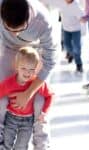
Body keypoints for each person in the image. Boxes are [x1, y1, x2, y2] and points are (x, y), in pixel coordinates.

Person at [0, 0, 57, 149]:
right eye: (9, 28)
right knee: (2, 97)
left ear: (29, 19)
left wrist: (28, 92)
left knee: (39, 101)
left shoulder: (43, 21)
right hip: (9, 48)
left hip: (35, 52)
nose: (15, 34)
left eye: (20, 29)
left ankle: (41, 144)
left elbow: (50, 60)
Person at [0, 47, 53, 150]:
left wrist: (44, 112)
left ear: (36, 69)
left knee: (21, 146)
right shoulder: (9, 83)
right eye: (24, 68)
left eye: (31, 69)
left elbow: (50, 95)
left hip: (27, 121)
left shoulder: (36, 83)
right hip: (11, 118)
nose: (27, 73)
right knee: (6, 143)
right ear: (17, 67)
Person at [42, 0, 85, 72]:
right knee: (67, 45)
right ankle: (71, 54)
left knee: (77, 48)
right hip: (66, 30)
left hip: (76, 30)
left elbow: (82, 19)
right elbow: (51, 2)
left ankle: (79, 64)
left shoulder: (76, 6)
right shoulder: (61, 3)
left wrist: (83, 31)